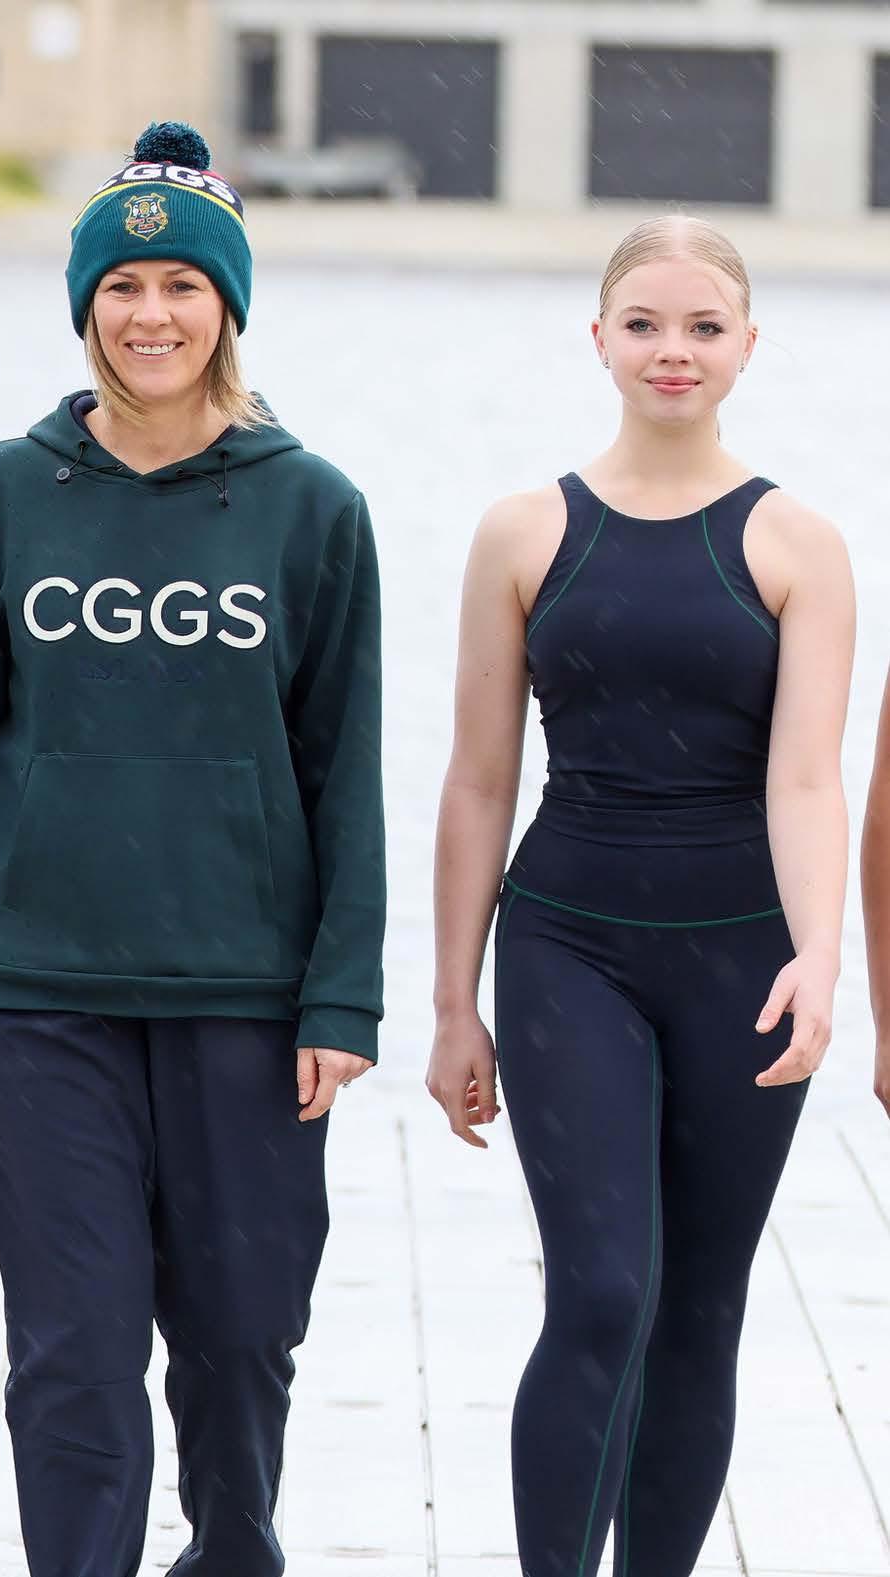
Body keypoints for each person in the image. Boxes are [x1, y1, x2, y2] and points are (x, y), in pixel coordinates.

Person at [0, 122, 384, 1577]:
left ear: (227, 306)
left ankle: (233, 1553)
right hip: (39, 992)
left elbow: (343, 770)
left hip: (247, 994)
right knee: (73, 1355)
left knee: (241, 1339)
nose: (149, 314)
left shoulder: (310, 507)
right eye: (121, 286)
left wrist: (340, 996)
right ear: (83, 305)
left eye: (181, 286)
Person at [433, 215, 850, 1577]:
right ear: (600, 339)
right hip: (570, 947)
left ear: (746, 346)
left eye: (703, 327)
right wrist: (453, 1003)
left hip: (743, 959)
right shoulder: (524, 531)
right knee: (604, 1291)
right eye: (646, 325)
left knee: (699, 1310)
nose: (674, 350)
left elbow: (807, 781)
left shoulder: (797, 543)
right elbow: (477, 781)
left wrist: (819, 959)